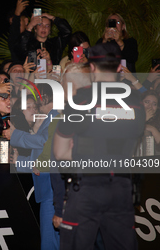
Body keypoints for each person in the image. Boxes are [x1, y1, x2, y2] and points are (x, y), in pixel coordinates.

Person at [53, 42, 145, 250]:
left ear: (92, 68)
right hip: (121, 188)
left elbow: (60, 152)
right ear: (120, 67)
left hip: (87, 187)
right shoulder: (136, 101)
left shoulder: (81, 100)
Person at [10, 83, 60, 250]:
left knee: (50, 242)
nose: (35, 107)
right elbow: (40, 159)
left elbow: (46, 144)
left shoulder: (56, 116)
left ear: (42, 98)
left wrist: (15, 135)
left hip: (51, 189)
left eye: (36, 101)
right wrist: (20, 161)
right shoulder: (50, 118)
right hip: (49, 188)